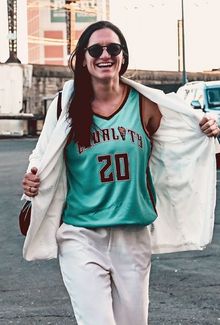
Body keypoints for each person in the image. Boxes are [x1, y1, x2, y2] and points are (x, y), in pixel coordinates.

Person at [21, 21, 220, 325]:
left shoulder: (145, 103)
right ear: (83, 59)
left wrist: (206, 127)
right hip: (81, 235)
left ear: (123, 57)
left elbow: (184, 134)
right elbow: (42, 155)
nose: (105, 55)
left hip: (133, 236)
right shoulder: (65, 105)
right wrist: (31, 181)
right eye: (96, 49)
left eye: (113, 48)